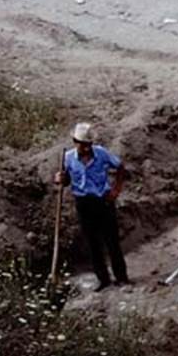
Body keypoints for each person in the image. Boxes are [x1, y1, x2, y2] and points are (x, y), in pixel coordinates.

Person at [53, 122, 129, 292]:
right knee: (93, 244)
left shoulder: (101, 153)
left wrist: (116, 190)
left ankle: (122, 278)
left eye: (88, 144)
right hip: (84, 204)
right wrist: (60, 179)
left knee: (112, 242)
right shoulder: (68, 158)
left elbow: (120, 166)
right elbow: (66, 181)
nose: (86, 148)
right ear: (75, 141)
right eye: (82, 144)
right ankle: (103, 280)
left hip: (103, 201)